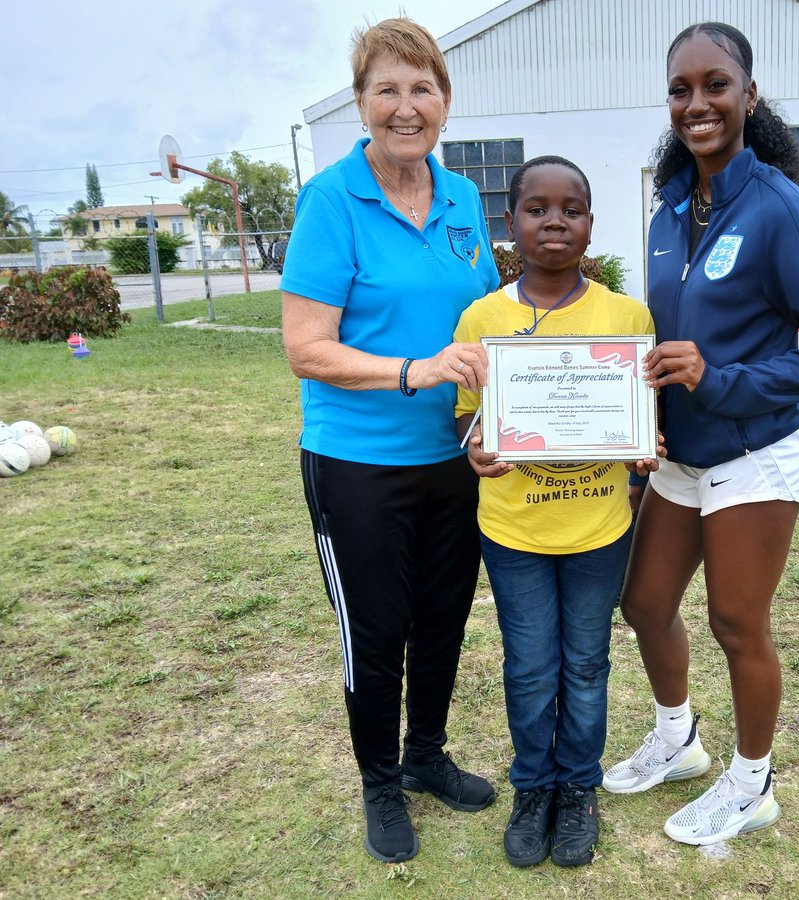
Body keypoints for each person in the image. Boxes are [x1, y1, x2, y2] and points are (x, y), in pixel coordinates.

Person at [602, 22, 799, 846]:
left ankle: (753, 784)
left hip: (758, 453)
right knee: (643, 602)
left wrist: (722, 383)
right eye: (681, 89)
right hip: (683, 456)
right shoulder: (670, 205)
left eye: (715, 85)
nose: (697, 103)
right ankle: (678, 739)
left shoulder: (779, 208)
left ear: (749, 96)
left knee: (735, 624)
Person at [280, 18, 501, 864]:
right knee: (375, 635)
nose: (406, 108)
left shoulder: (462, 198)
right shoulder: (332, 200)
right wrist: (415, 371)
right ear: (362, 102)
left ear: (444, 100)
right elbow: (307, 347)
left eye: (423, 89)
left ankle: (424, 757)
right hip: (357, 464)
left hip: (453, 460)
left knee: (442, 621)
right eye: (388, 90)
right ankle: (379, 782)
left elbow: (483, 318)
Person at [453, 156, 658, 868]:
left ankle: (578, 787)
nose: (554, 221)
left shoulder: (628, 317)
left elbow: (643, 415)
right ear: (512, 223)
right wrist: (476, 447)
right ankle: (533, 786)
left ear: (590, 227)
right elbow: (468, 420)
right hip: (514, 529)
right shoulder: (483, 316)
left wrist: (643, 445)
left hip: (600, 527)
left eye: (571, 209)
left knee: (588, 663)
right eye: (537, 208)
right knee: (532, 668)